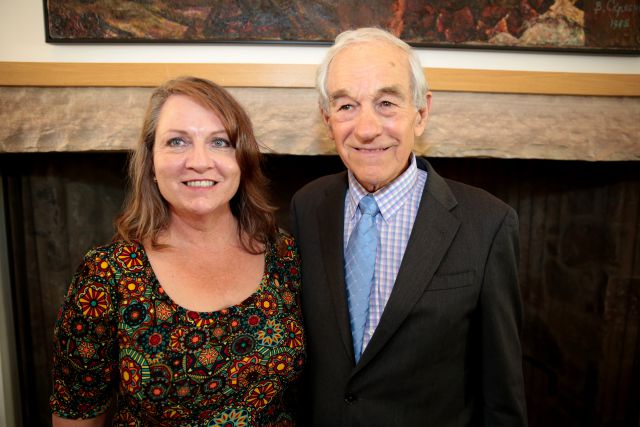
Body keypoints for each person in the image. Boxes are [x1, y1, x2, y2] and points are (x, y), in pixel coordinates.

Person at [290, 27, 527, 426]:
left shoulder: (488, 224)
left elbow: (502, 394)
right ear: (327, 119)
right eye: (346, 106)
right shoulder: (307, 206)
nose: (366, 129)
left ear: (421, 113)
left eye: (386, 103)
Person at [50, 76, 305, 426]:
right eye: (177, 142)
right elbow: (77, 415)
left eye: (219, 142)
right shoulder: (106, 275)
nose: (199, 162)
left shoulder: (284, 254)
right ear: (151, 163)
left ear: (242, 161)